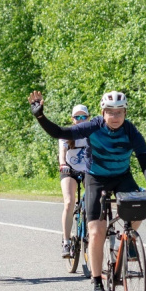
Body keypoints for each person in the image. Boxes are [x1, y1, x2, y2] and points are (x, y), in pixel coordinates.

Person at [29, 90, 146, 291]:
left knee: (141, 204)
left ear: (125, 113)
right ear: (102, 112)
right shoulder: (93, 126)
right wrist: (40, 116)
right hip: (96, 179)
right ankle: (98, 284)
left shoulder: (131, 131)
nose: (115, 117)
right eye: (110, 112)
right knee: (96, 232)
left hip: (122, 177)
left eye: (119, 112)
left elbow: (145, 161)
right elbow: (60, 132)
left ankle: (127, 240)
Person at [58, 104, 91, 258]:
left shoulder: (93, 133)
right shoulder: (67, 133)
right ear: (72, 119)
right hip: (69, 170)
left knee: (93, 200)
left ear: (88, 118)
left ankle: (91, 231)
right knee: (69, 202)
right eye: (77, 117)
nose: (80, 119)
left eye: (83, 117)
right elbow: (62, 151)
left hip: (88, 170)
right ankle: (66, 241)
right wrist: (62, 164)